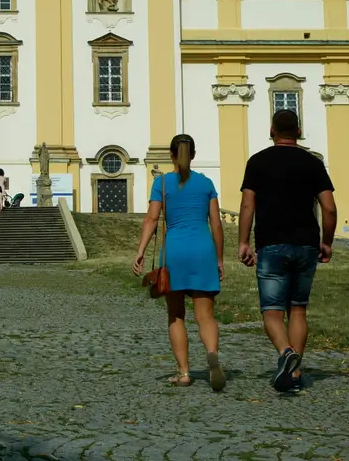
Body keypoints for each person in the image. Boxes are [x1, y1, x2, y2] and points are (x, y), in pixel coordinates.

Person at [238, 109, 337, 393]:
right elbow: (329, 207)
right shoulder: (313, 163)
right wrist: (327, 241)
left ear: (272, 131)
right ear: (299, 130)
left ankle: (285, 353)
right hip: (306, 243)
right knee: (298, 309)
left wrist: (243, 241)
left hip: (271, 243)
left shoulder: (257, 162)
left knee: (271, 310)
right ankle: (295, 374)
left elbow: (247, 205)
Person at [133, 134, 226, 391]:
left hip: (174, 251)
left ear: (172, 155)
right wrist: (219, 258)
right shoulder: (206, 183)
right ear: (193, 154)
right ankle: (211, 354)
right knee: (205, 315)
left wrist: (140, 251)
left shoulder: (161, 183)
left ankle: (184, 373)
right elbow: (216, 224)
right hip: (202, 249)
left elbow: (151, 219)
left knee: (175, 314)